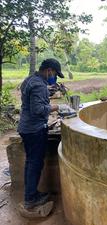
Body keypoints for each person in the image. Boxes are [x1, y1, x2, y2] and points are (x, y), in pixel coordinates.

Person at [17, 58, 68, 210]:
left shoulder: (30, 80)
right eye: (55, 74)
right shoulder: (39, 85)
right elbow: (37, 109)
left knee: (30, 163)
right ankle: (31, 199)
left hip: (26, 128)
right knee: (35, 164)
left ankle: (30, 194)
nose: (55, 78)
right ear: (49, 70)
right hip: (34, 130)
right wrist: (57, 107)